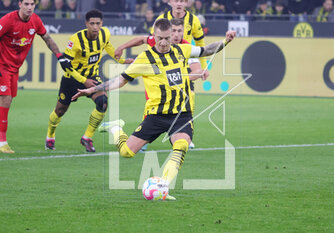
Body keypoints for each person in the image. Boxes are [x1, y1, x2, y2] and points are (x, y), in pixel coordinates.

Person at [72, 18, 236, 199]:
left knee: (181, 145)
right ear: (154, 36)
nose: (164, 42)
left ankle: (163, 186)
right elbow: (120, 80)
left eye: (167, 38)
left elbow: (207, 50)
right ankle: (115, 128)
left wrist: (226, 41)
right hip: (156, 115)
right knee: (126, 152)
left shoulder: (183, 50)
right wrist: (92, 89)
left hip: (181, 114)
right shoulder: (144, 58)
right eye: (160, 38)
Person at [45, 9, 133, 152]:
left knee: (103, 102)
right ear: (86, 24)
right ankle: (50, 135)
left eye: (98, 23)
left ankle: (87, 137)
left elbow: (108, 46)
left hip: (92, 77)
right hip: (72, 79)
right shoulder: (75, 40)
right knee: (60, 111)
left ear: (101, 23)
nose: (95, 27)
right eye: (92, 23)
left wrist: (122, 60)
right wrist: (83, 80)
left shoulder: (105, 33)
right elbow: (65, 66)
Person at [115, 18, 209, 151]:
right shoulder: (156, 41)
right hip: (158, 86)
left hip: (182, 87)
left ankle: (183, 135)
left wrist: (176, 77)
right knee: (153, 108)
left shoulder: (185, 46)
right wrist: (122, 47)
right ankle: (145, 138)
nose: (176, 34)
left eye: (179, 31)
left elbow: (197, 71)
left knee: (188, 99)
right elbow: (141, 39)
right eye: (174, 30)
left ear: (183, 32)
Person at [0, 0, 69, 153]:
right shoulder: (8, 20)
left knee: (8, 100)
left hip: (14, 68)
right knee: (5, 99)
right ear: (19, 4)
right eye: (26, 4)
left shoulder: (35, 20)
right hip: (2, 66)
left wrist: (60, 56)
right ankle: (2, 142)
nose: (29, 7)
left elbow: (48, 39)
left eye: (32, 4)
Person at [152, 0, 206, 70]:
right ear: (170, 2)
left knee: (192, 75)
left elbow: (200, 44)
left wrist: (204, 66)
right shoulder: (161, 19)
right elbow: (152, 41)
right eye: (176, 1)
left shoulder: (193, 20)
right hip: (165, 63)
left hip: (185, 63)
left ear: (186, 3)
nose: (179, 4)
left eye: (181, 1)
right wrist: (153, 64)